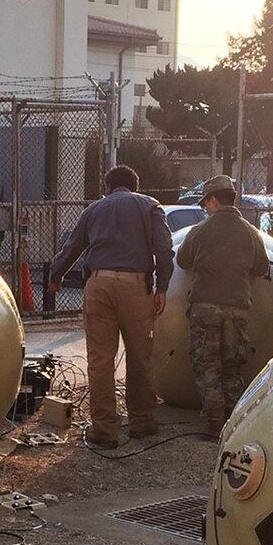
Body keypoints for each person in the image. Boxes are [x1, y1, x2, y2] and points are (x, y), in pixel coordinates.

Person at [47, 164, 174, 448]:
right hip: (135, 285)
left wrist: (56, 277)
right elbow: (164, 249)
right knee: (140, 355)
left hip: (98, 285)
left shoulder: (93, 210)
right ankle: (141, 421)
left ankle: (104, 429)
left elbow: (71, 248)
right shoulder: (149, 206)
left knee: (101, 359)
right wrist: (162, 287)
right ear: (135, 186)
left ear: (108, 187)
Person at [175, 174, 270, 437]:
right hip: (237, 307)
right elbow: (261, 267)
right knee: (232, 367)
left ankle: (214, 423)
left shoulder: (200, 230)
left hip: (205, 307)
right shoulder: (251, 232)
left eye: (205, 202)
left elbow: (183, 260)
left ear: (214, 200)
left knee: (207, 366)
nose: (205, 207)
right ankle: (235, 424)